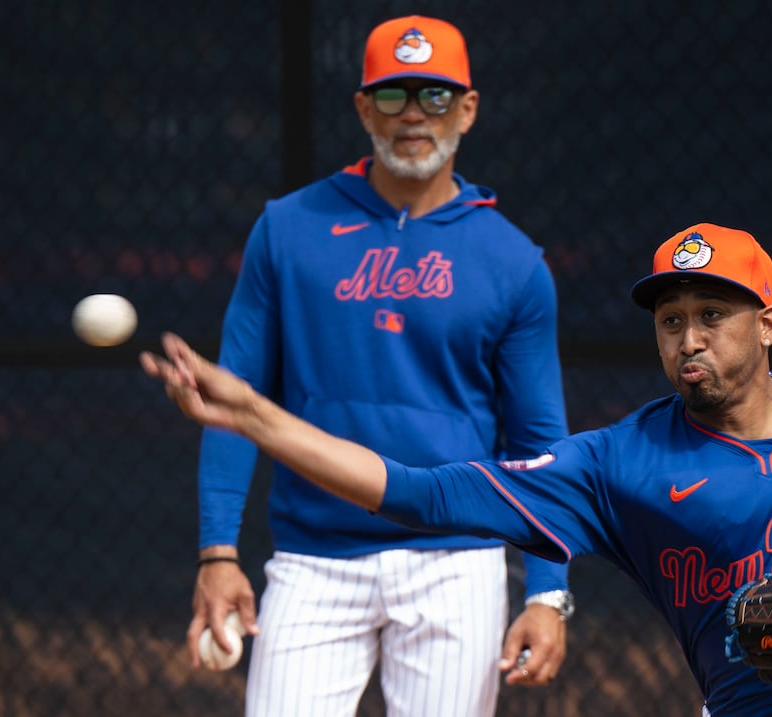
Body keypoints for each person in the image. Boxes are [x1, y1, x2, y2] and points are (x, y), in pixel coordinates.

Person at [144, 222, 772, 716]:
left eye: (713, 313)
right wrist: (256, 416)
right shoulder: (620, 462)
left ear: (767, 323)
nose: (689, 336)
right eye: (671, 317)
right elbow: (419, 491)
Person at [188, 15, 574, 717]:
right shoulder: (288, 228)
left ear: (468, 109)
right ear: (364, 108)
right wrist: (218, 552)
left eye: (435, 95)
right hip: (313, 557)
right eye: (394, 95)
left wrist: (548, 592)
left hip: (457, 557)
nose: (414, 115)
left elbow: (538, 446)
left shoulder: (514, 262)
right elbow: (230, 401)